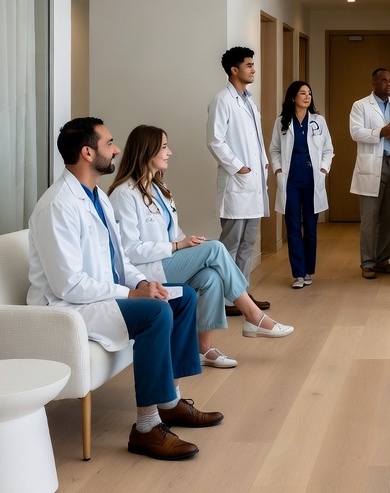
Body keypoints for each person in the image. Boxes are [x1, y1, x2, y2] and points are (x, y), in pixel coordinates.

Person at [28, 118, 224, 461]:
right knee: (155, 311)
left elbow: (120, 261)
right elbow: (68, 284)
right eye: (109, 143)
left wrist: (143, 283)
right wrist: (133, 295)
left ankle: (171, 402)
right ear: (88, 153)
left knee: (182, 297)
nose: (116, 149)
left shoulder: (98, 198)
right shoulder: (58, 206)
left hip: (101, 294)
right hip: (68, 307)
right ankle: (146, 428)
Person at [109, 125, 294, 369]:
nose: (170, 152)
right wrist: (176, 246)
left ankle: (202, 349)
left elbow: (174, 233)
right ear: (147, 150)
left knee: (210, 276)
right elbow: (129, 250)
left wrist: (188, 243)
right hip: (144, 271)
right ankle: (253, 316)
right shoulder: (124, 194)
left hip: (164, 260)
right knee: (216, 249)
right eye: (164, 147)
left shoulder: (160, 190)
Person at [206, 46, 270, 312]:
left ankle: (241, 296)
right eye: (249, 65)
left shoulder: (248, 101)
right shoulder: (223, 100)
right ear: (234, 70)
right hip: (239, 182)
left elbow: (255, 141)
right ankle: (224, 299)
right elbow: (214, 141)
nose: (253, 70)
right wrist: (239, 167)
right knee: (231, 244)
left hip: (254, 183)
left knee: (248, 244)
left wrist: (263, 163)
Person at [349, 68, 390, 280]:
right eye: (383, 80)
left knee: (387, 219)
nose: (388, 84)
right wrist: (380, 132)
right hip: (371, 167)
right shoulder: (360, 106)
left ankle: (382, 261)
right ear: (373, 83)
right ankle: (367, 263)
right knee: (369, 219)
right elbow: (355, 132)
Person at [270, 81, 334, 289]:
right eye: (302, 93)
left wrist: (323, 169)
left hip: (312, 178)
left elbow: (328, 150)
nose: (307, 97)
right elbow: (274, 150)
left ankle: (308, 271)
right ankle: (298, 273)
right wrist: (278, 170)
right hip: (290, 180)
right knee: (293, 227)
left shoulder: (318, 121)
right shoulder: (282, 121)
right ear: (292, 97)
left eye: (310, 93)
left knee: (311, 227)